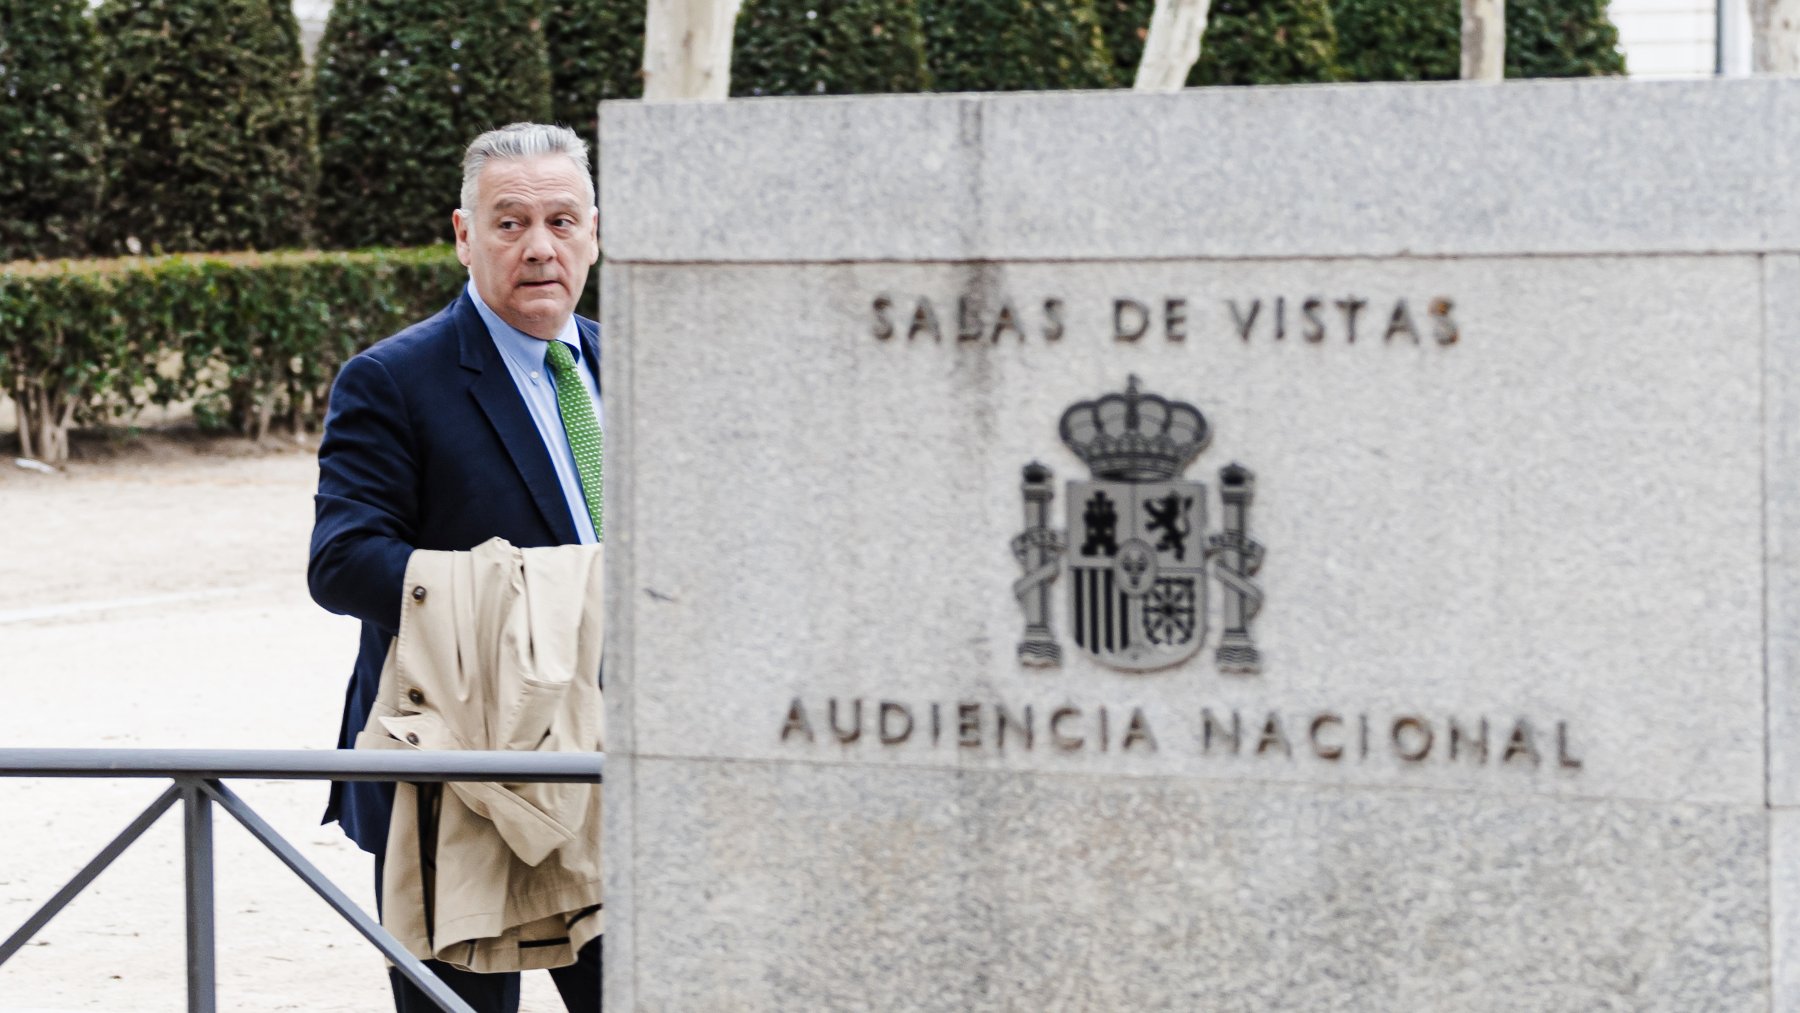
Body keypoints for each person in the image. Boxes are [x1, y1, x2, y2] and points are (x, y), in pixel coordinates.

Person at [308, 122, 604, 1013]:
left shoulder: (641, 360)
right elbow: (342, 561)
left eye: (562, 219)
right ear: (463, 235)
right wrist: (532, 601)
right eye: (509, 223)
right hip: (461, 777)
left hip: (610, 765)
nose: (540, 246)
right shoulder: (392, 378)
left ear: (595, 229)